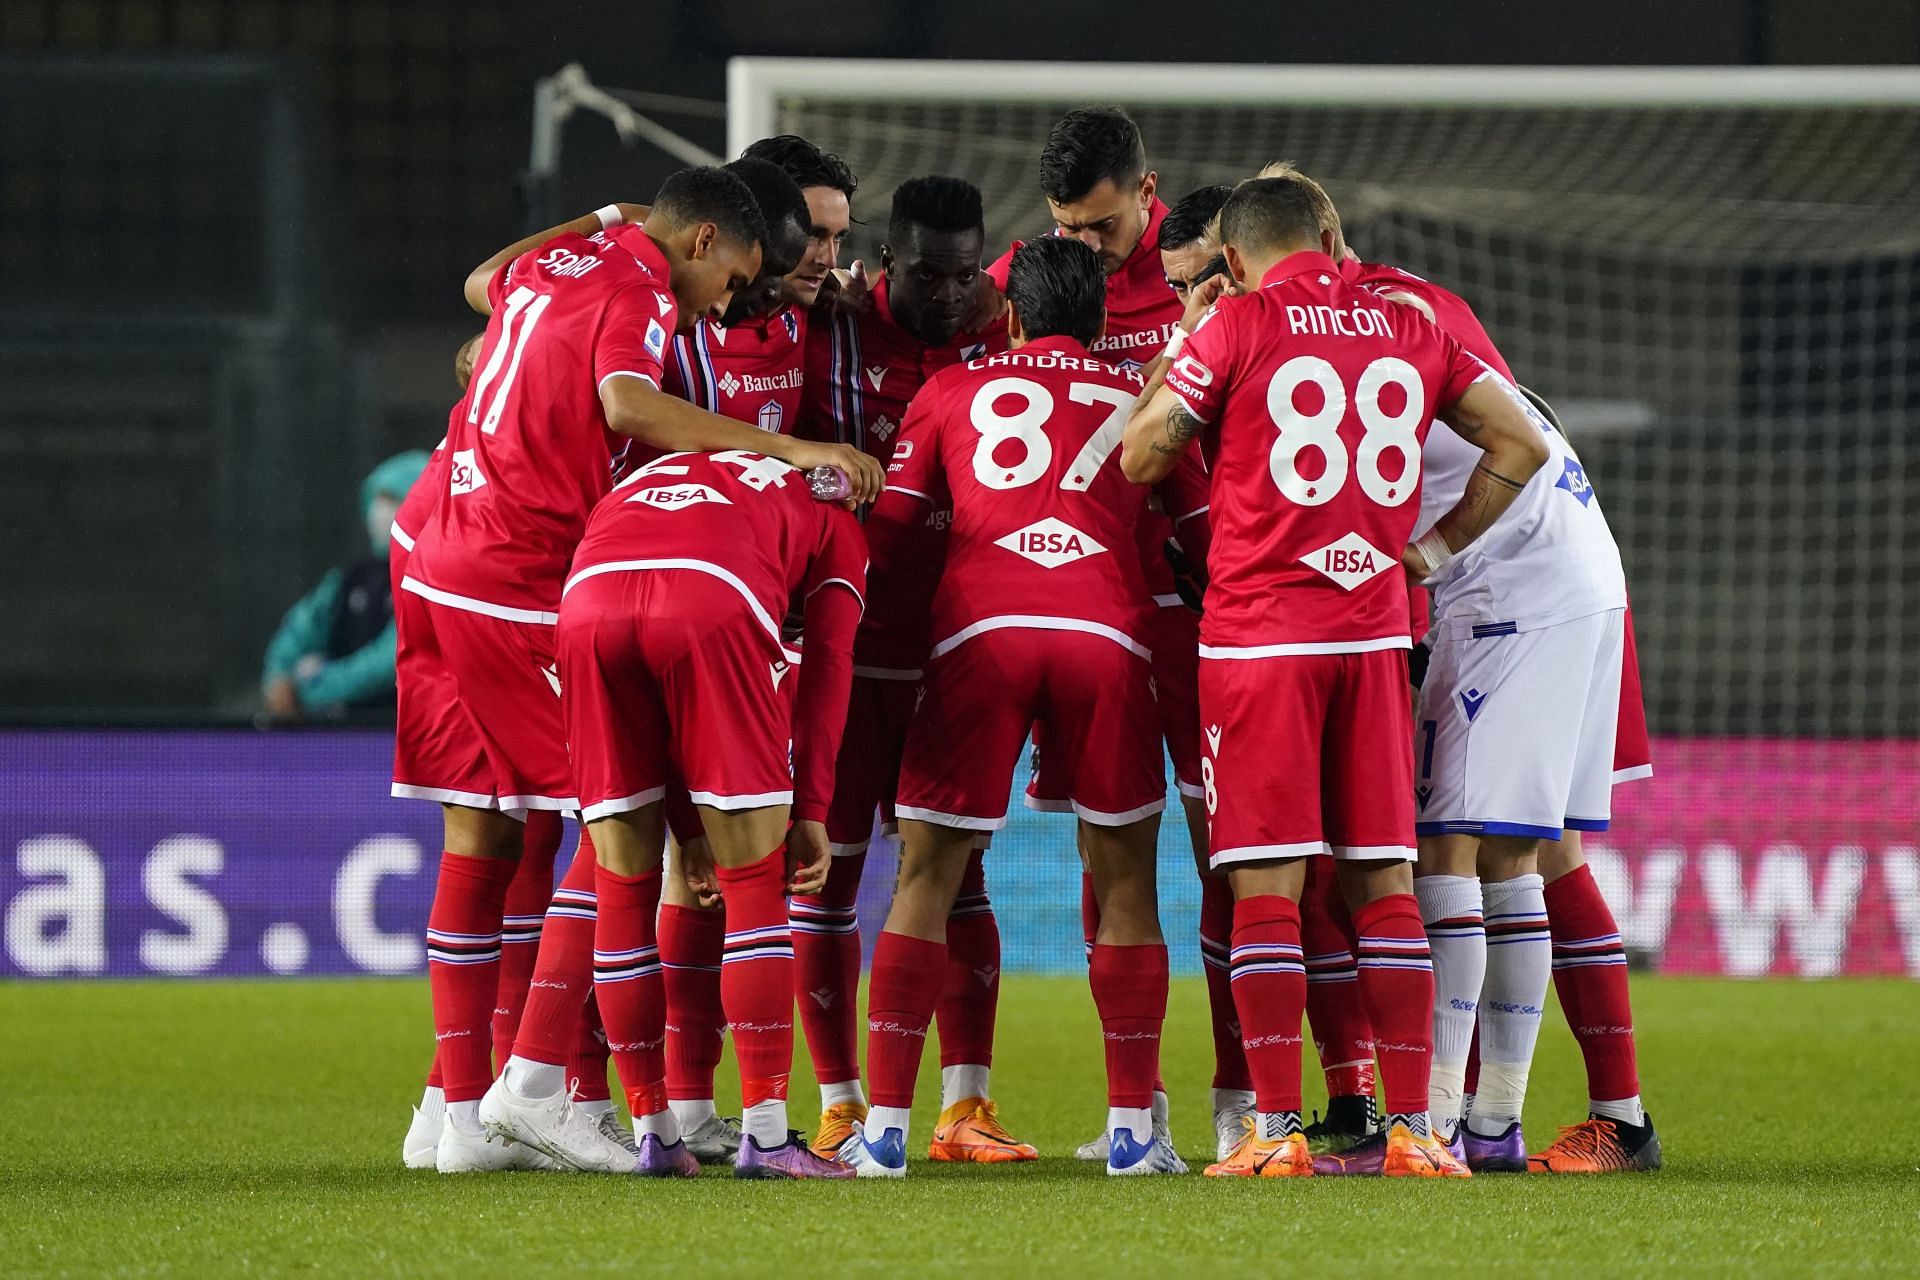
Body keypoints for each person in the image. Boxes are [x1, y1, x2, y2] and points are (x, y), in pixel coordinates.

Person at [395, 165, 880, 1175]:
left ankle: (452, 1109)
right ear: (701, 241)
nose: (723, 305)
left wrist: (609, 212)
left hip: (430, 538)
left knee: (478, 827)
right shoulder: (641, 290)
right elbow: (628, 403)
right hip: (514, 567)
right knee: (617, 822)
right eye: (733, 276)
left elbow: (484, 281)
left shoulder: (572, 257)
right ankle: (544, 1088)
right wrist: (781, 445)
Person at [1120, 175, 1549, 1178]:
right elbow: (1519, 440)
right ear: (1328, 234)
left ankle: (1273, 1135)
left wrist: (1187, 345)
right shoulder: (1410, 325)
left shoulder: (1238, 324)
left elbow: (1142, 457)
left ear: (1233, 258)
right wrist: (1433, 549)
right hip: (1369, 637)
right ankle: (1416, 1130)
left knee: (1267, 881)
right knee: (1382, 880)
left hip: (1262, 639)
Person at [1265, 161, 1663, 1173]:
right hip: (1565, 569)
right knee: (1536, 852)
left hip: (1517, 585)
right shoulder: (1411, 300)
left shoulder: (1367, 315)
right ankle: (1589, 1118)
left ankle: (1444, 1123)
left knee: (1454, 851)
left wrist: (1428, 560)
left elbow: (1510, 440)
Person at [837, 238, 1193, 1177]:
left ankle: (881, 1135)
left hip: (979, 632)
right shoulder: (1144, 401)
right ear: (1102, 320)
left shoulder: (952, 388)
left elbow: (897, 526)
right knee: (1124, 883)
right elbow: (1186, 527)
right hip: (1106, 635)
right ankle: (1130, 1134)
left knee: (928, 877)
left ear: (1016, 316)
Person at [477, 448, 865, 1179]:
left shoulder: (659, 472)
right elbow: (831, 667)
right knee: (753, 881)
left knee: (622, 885)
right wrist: (811, 805)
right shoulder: (837, 516)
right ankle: (768, 1135)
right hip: (712, 599)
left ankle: (655, 1132)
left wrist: (687, 831)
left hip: (587, 604)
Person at [986, 111, 1246, 1162]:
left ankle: (1246, 1098)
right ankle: (1137, 1108)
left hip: (1201, 607)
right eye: (1065, 230)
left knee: (1234, 850)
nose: (1080, 252)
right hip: (1088, 607)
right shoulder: (1029, 277)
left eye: (1098, 228)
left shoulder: (1211, 280)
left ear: (1150, 188)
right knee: (1111, 843)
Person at [797, 176, 1032, 1163]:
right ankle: (843, 1101)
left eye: (964, 271)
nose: (948, 291)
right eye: (928, 272)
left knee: (958, 872)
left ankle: (964, 1106)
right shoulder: (830, 328)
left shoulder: (999, 334)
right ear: (884, 265)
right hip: (843, 653)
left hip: (952, 653)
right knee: (830, 878)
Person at [649, 145, 849, 1160]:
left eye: (835, 237)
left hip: (757, 612)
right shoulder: (663, 328)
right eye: (808, 232)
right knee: (669, 864)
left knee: (705, 866)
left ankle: (677, 1111)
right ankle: (662, 1101)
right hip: (669, 594)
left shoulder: (815, 321)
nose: (822, 253)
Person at [395, 338, 575, 1170]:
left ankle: (450, 1106)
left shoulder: (490, 417)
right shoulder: (503, 432)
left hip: (452, 589)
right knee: (511, 839)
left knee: (518, 841)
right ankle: (484, 1108)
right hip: (473, 608)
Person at [262, 450, 429, 720]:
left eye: (394, 499)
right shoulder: (353, 578)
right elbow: (301, 628)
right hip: (344, 732)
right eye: (379, 499)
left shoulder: (429, 581)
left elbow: (390, 659)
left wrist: (310, 689)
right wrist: (279, 677)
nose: (381, 511)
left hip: (397, 731)